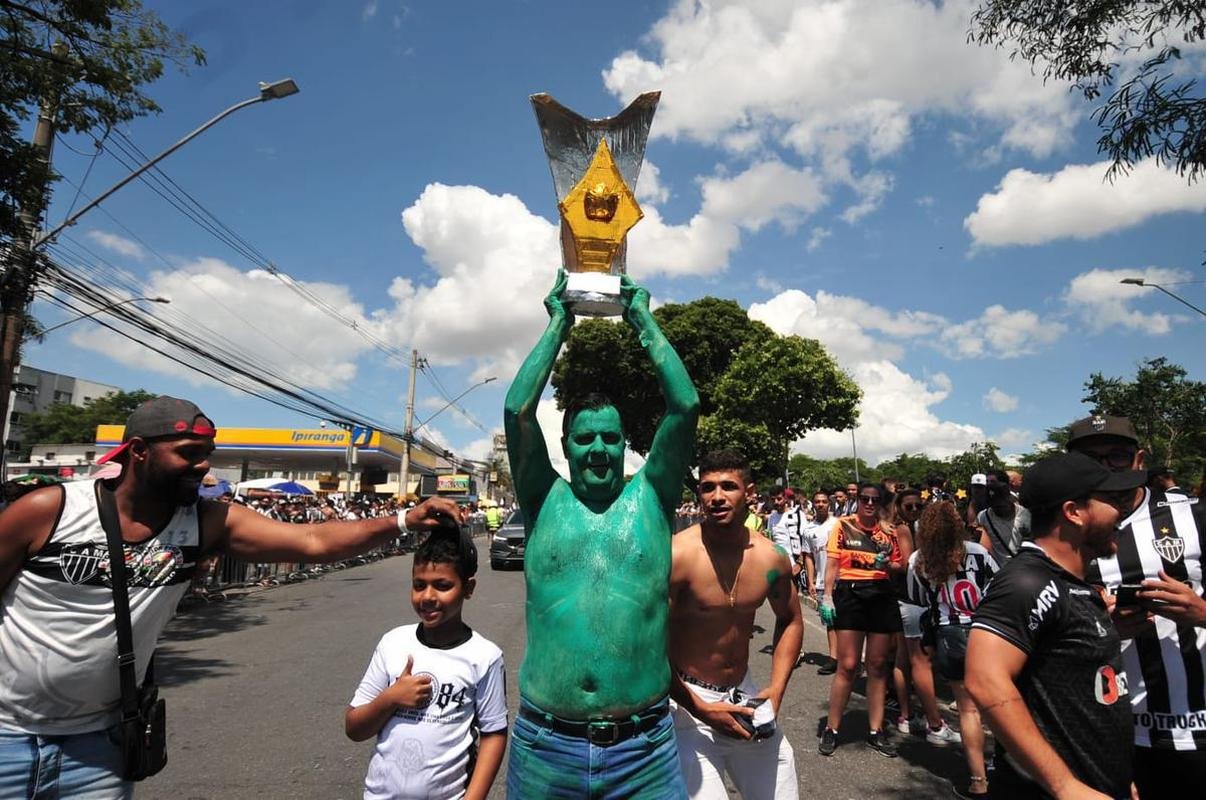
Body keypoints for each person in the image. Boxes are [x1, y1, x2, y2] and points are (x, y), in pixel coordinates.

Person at [0, 396, 463, 798]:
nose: (204, 465)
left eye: (209, 453)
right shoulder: (49, 511)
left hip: (99, 747)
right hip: (6, 737)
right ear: (139, 452)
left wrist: (403, 521)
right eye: (189, 453)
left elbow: (312, 542)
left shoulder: (206, 522)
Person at [502, 271, 699, 798]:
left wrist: (643, 321)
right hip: (546, 748)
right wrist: (557, 327)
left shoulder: (651, 498)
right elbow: (516, 411)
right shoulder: (544, 499)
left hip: (645, 752)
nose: (597, 448)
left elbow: (685, 407)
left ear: (625, 445)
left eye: (610, 438)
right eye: (583, 437)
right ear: (564, 446)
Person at [966, 451, 1146, 799]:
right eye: (1110, 500)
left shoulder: (1075, 583)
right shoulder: (1025, 581)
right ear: (1074, 512)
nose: (1120, 511)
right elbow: (984, 679)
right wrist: (1064, 786)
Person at [1067, 414, 1206, 798]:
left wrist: (1201, 612)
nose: (1105, 468)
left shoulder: (1193, 517)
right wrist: (1104, 627)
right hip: (1113, 729)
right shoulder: (1064, 533)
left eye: (1117, 456)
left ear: (1140, 460)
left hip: (1197, 725)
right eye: (1090, 460)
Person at [668, 450, 803, 799]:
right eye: (707, 488)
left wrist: (775, 689)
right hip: (685, 702)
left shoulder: (771, 557)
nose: (716, 497)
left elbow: (790, 620)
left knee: (781, 789)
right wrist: (699, 707)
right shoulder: (677, 556)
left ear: (750, 492)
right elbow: (646, 643)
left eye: (728, 486)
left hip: (743, 695)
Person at [345, 526, 507, 800]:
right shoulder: (393, 642)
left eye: (442, 586)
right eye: (419, 585)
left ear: (468, 588)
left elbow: (493, 734)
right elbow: (354, 728)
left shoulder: (485, 656)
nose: (428, 596)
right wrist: (391, 698)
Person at [908, 502, 999, 797]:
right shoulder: (978, 552)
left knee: (968, 710)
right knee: (999, 705)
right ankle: (1003, 764)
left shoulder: (919, 560)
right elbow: (999, 588)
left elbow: (922, 598)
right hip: (985, 632)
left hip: (950, 634)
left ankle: (977, 780)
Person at [818, 482, 904, 757]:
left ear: (880, 502)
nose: (869, 503)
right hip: (851, 594)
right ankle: (831, 728)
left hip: (881, 594)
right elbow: (832, 564)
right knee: (849, 664)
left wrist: (886, 565)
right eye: (864, 498)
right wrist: (827, 597)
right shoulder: (843, 525)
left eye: (874, 499)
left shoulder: (888, 531)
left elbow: (898, 566)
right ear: (858, 500)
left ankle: (876, 731)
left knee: (878, 665)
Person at [889, 487, 958, 746]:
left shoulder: (904, 526)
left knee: (903, 661)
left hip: (904, 602)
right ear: (899, 507)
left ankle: (906, 717)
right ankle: (934, 724)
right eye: (909, 506)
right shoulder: (904, 529)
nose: (915, 510)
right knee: (920, 663)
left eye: (919, 506)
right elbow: (909, 564)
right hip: (914, 602)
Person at [801, 491, 839, 675]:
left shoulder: (839, 524)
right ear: (813, 505)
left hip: (844, 580)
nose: (821, 504)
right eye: (817, 501)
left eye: (824, 501)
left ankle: (850, 659)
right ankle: (834, 658)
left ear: (829, 504)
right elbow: (808, 556)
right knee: (830, 620)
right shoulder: (808, 529)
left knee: (848, 621)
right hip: (823, 582)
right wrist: (811, 581)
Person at [976, 469, 1030, 565]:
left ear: (1009, 498)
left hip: (1024, 569)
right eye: (995, 506)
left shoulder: (1026, 515)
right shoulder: (983, 517)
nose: (999, 508)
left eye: (1001, 504)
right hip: (1000, 573)